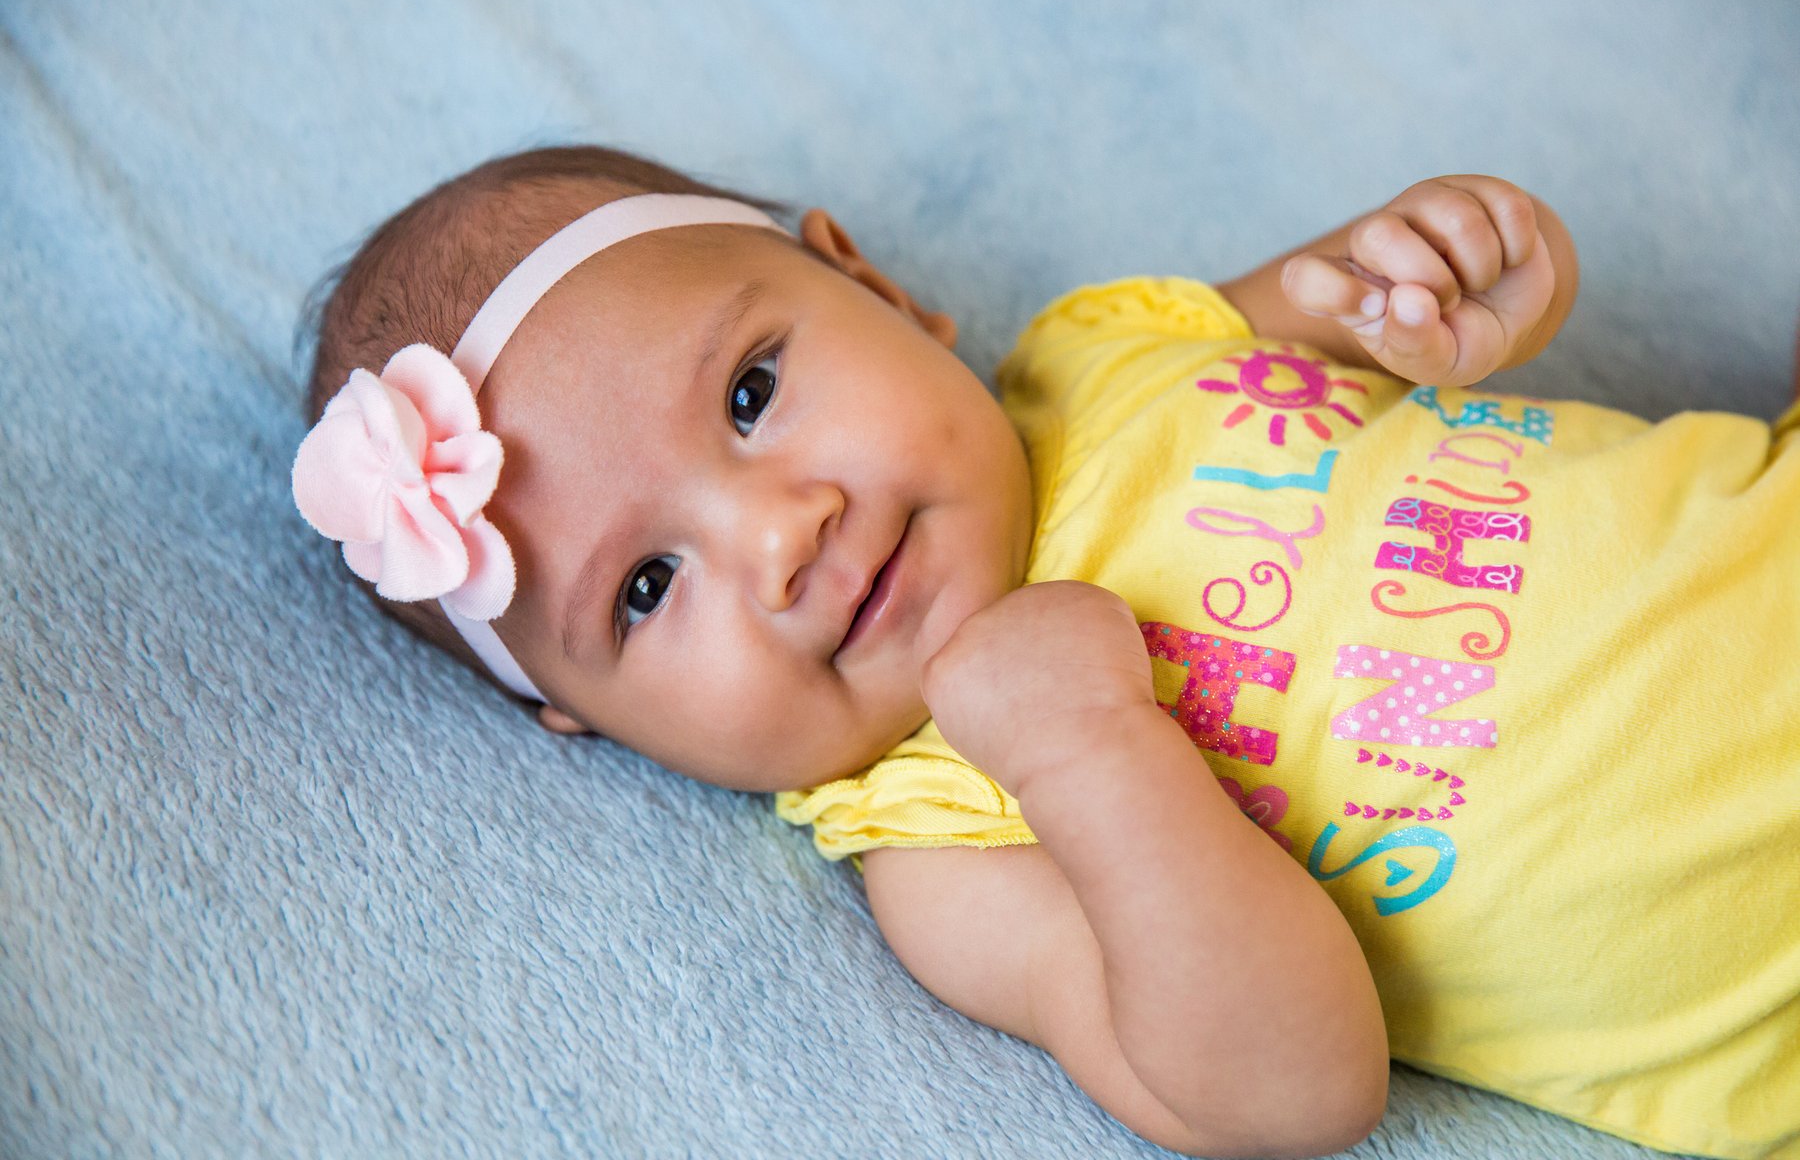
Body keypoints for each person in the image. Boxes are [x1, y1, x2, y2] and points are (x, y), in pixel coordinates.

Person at [292, 145, 1800, 1160]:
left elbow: (1382, 305)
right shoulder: (941, 845)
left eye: (750, 395)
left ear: (877, 289)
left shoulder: (1110, 351)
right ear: (592, 722)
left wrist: (1448, 274)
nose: (780, 537)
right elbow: (1289, 1090)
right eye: (644, 588)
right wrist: (1088, 749)